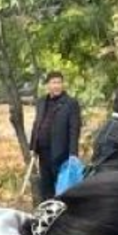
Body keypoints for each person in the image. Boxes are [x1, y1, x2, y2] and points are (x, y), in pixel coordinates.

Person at [29, 71, 81, 203]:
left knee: (61, 189)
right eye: (54, 82)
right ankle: (46, 216)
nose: (57, 86)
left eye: (59, 82)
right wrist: (33, 147)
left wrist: (73, 153)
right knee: (46, 188)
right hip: (43, 153)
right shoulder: (41, 102)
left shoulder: (70, 103)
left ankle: (61, 218)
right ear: (48, 85)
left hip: (61, 153)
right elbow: (37, 123)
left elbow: (74, 129)